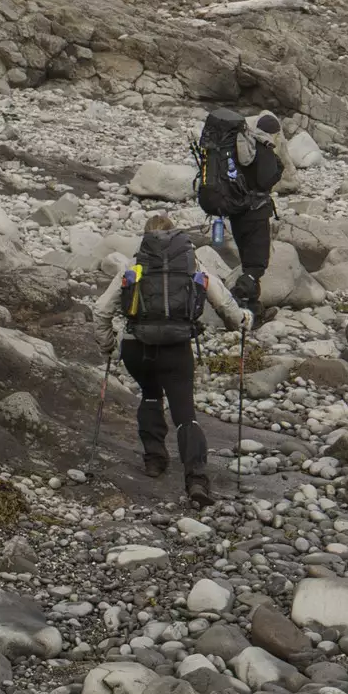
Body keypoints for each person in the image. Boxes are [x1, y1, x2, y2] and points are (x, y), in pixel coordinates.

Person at [91, 214, 251, 504]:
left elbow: (101, 310)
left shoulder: (134, 266)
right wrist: (242, 321)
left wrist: (108, 346)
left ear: (146, 237)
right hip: (175, 349)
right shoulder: (191, 265)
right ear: (175, 236)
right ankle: (196, 481)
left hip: (135, 348)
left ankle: (154, 460)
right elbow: (225, 304)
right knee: (185, 414)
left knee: (150, 395)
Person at [195, 109, 283, 317]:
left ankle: (252, 306)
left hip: (236, 212)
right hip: (256, 213)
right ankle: (236, 302)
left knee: (247, 260)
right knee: (257, 264)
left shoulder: (239, 145)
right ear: (274, 132)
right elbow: (265, 180)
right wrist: (278, 166)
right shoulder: (263, 148)